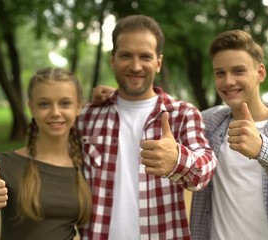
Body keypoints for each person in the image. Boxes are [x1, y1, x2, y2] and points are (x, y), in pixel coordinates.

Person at [78, 14, 216, 239]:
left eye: (145, 57)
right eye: (126, 56)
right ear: (112, 60)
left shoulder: (182, 114)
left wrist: (177, 160)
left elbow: (204, 172)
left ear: (158, 63)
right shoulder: (87, 116)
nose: (135, 66)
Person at [189, 30, 268, 240]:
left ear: (260, 73)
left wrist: (261, 148)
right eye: (220, 73)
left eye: (238, 71)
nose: (228, 81)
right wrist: (119, 96)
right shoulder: (210, 120)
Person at [0, 68, 92, 240]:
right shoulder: (5, 164)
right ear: (31, 108)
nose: (55, 112)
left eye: (65, 103)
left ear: (78, 107)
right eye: (44, 104)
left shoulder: (85, 165)